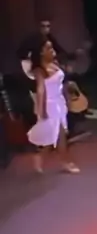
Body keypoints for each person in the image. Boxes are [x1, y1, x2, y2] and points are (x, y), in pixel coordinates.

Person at [26, 41, 79, 174]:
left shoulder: (54, 63)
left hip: (59, 102)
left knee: (53, 136)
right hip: (49, 105)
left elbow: (61, 84)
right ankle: (65, 162)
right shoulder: (39, 70)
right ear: (41, 52)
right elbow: (41, 90)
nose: (52, 49)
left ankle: (40, 157)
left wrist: (67, 99)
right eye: (48, 48)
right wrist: (41, 110)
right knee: (60, 134)